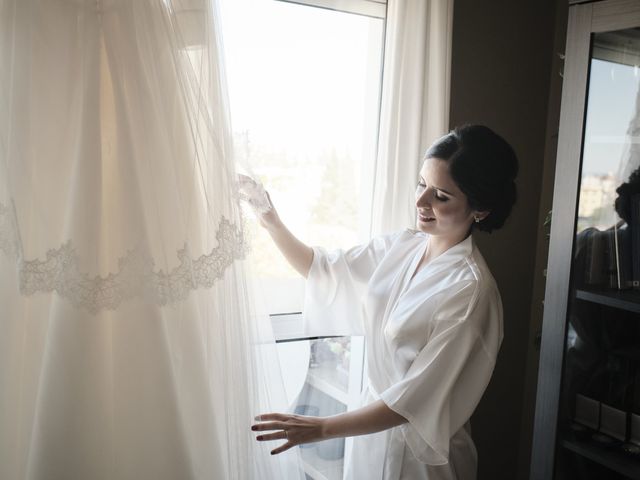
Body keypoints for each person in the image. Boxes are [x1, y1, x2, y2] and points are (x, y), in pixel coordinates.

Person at [248, 125, 519, 480]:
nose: (421, 202)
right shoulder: (403, 246)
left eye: (441, 196)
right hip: (368, 435)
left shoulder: (470, 293)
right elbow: (324, 269)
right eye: (421, 184)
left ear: (480, 209)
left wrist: (321, 428)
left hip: (420, 457)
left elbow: (413, 402)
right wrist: (270, 219)